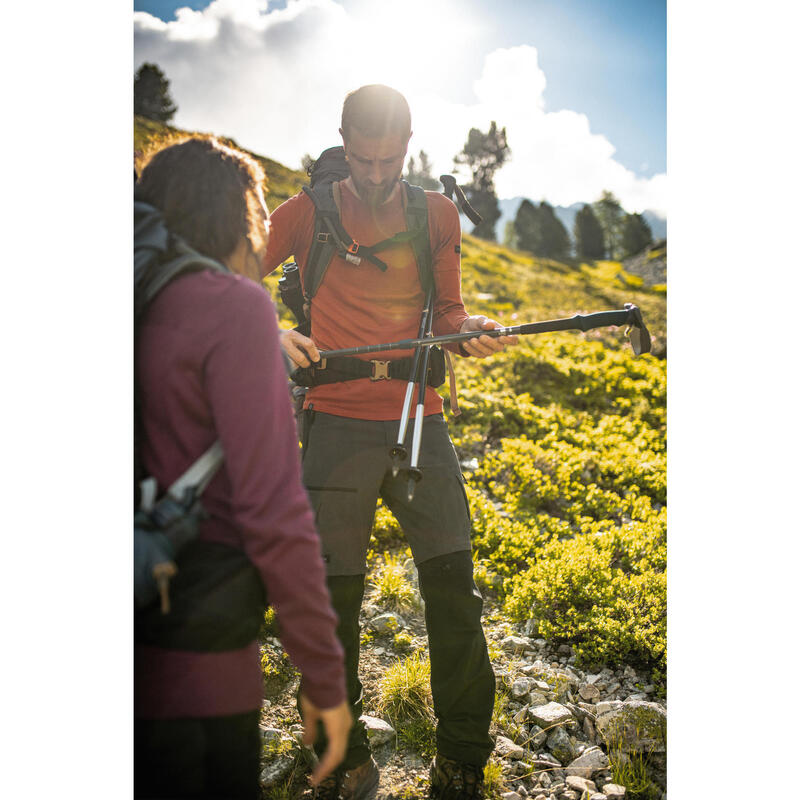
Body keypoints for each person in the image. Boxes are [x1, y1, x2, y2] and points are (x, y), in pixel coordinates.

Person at [263, 85, 518, 800]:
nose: (376, 174)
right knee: (324, 605)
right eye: (362, 159)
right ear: (342, 140)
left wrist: (466, 333)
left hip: (420, 418)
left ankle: (463, 760)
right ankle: (342, 761)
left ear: (408, 147)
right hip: (335, 422)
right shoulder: (305, 211)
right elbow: (225, 272)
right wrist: (268, 329)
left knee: (455, 594)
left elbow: (453, 307)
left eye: (390, 160)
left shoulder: (434, 213)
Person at [134, 137, 351, 799]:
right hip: (198, 671)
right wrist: (323, 676)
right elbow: (275, 512)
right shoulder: (234, 307)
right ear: (238, 220)